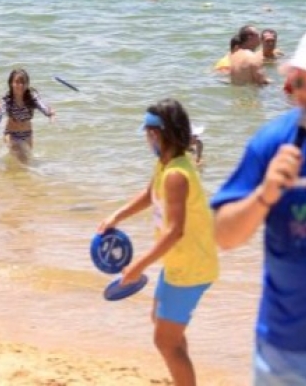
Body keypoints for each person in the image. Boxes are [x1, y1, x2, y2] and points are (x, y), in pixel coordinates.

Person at [97, 99, 219, 386]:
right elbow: (150, 192)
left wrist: (137, 267)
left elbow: (174, 231)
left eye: (148, 133)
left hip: (190, 267)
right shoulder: (166, 163)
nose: (146, 138)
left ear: (159, 134)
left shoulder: (177, 175)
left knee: (165, 342)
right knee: (164, 328)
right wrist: (117, 216)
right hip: (179, 262)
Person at [212, 33, 306, 384]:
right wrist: (264, 194)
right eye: (300, 84)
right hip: (284, 351)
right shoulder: (272, 143)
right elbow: (223, 235)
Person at [0, 69, 55, 161]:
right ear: (11, 83)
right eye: (17, 82)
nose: (20, 85)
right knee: (18, 154)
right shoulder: (8, 99)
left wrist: (50, 114)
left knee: (25, 160)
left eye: (23, 82)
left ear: (27, 84)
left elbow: (41, 105)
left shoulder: (31, 97)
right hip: (11, 134)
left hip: (27, 134)